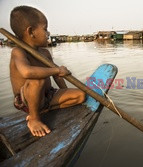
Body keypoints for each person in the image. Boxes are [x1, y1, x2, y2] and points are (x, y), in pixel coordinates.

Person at [10, 6, 85, 137]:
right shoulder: (18, 52)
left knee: (80, 96)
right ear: (31, 31)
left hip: (47, 97)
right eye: (45, 29)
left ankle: (44, 110)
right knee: (37, 79)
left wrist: (63, 89)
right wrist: (56, 69)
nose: (48, 33)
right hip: (27, 101)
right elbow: (27, 72)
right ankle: (33, 118)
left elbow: (57, 76)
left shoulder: (45, 53)